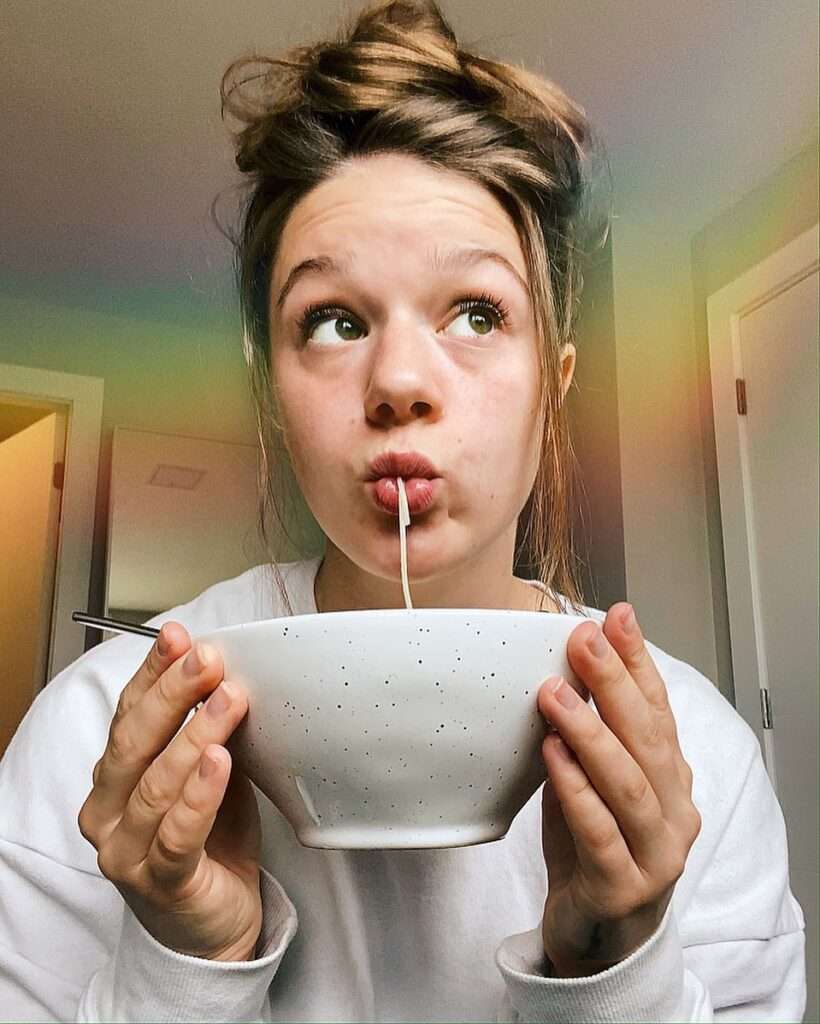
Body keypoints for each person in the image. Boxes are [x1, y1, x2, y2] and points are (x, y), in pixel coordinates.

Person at [0, 1, 807, 1020]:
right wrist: (184, 955)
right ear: (275, 393)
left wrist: (612, 963)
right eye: (333, 321)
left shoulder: (701, 757)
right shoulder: (93, 737)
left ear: (553, 384)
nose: (398, 382)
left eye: (476, 312)